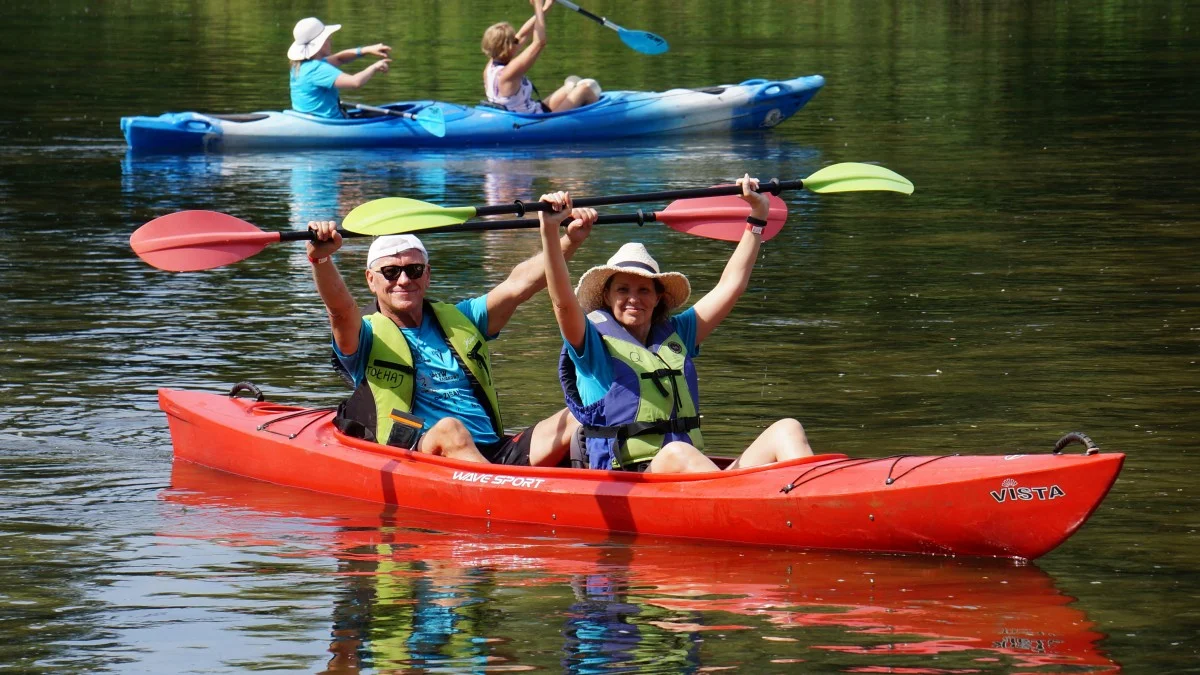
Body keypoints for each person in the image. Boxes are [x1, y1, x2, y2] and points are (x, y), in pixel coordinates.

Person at [537, 177, 816, 473]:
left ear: (659, 298)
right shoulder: (590, 344)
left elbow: (731, 285)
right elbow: (562, 303)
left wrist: (757, 218)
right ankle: (740, 505)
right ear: (606, 296)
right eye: (623, 290)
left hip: (693, 479)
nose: (634, 299)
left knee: (787, 428)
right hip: (630, 482)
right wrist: (550, 230)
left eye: (644, 290)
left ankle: (813, 506)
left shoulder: (677, 335)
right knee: (677, 453)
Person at [305, 218, 593, 466]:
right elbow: (341, 311)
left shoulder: (462, 319)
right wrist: (321, 259)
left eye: (414, 270)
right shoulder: (364, 336)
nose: (404, 280)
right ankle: (499, 493)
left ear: (427, 275)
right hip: (424, 456)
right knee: (451, 429)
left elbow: (518, 285)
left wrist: (569, 238)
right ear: (371, 279)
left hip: (494, 451)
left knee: (582, 415)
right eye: (391, 272)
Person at [481, 0, 601, 113]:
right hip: (534, 121)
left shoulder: (491, 64)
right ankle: (598, 120)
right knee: (584, 89)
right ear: (508, 47)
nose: (517, 42)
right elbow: (539, 42)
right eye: (513, 41)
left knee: (573, 83)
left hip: (531, 110)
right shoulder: (508, 73)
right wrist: (537, 5)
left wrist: (545, 8)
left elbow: (522, 35)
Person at [288, 17, 392, 119]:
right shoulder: (318, 69)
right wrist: (374, 67)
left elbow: (339, 58)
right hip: (328, 123)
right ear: (321, 43)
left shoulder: (301, 65)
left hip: (306, 119)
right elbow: (355, 82)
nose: (331, 42)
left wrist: (367, 50)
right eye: (328, 39)